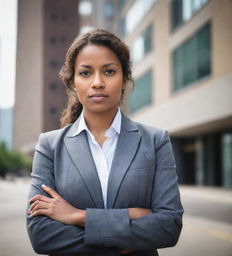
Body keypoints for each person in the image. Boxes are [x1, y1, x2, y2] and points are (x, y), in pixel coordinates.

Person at [26, 29, 183, 256]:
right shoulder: (50, 146)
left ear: (124, 79)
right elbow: (41, 235)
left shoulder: (155, 141)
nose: (98, 82)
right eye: (86, 73)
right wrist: (132, 221)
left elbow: (169, 227)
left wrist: (77, 216)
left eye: (109, 71)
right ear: (72, 83)